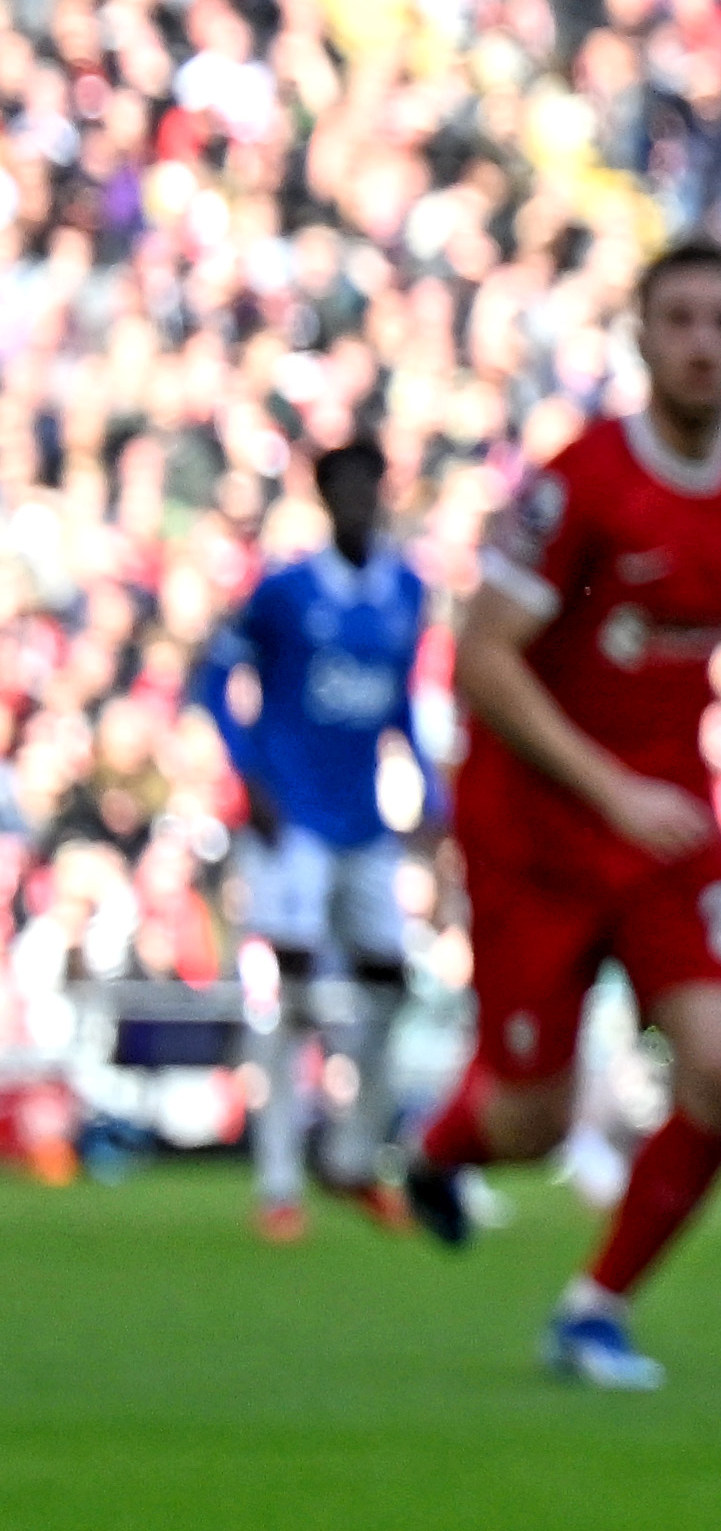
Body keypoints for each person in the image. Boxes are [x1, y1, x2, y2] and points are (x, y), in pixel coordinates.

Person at [411, 246, 721, 1390]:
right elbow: (484, 660)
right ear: (640, 338)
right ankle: (445, 1144)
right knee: (532, 1121)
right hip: (538, 827)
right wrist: (609, 788)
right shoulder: (578, 483)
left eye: (720, 319)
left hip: (672, 830)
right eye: (677, 319)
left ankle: (595, 1306)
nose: (700, 339)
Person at [197, 431, 437, 1242]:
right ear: (323, 497)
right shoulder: (286, 592)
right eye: (344, 488)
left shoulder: (408, 591)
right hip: (293, 818)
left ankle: (350, 1156)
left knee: (395, 985)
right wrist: (250, 776)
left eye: (371, 486)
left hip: (365, 821)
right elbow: (213, 677)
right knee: (292, 991)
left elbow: (398, 702)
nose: (359, 501)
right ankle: (277, 1184)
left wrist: (429, 787)